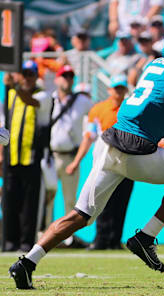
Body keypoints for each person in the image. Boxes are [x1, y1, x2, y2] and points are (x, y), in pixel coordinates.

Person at [9, 23, 164, 289]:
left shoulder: (155, 65)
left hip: (108, 142)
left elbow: (161, 110)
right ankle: (146, 237)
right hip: (138, 152)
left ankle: (27, 262)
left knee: (80, 215)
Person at [66, 75, 133, 250]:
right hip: (104, 163)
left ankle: (115, 240)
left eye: (121, 88)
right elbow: (88, 137)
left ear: (125, 90)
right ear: (110, 90)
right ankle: (101, 239)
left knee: (121, 202)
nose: (118, 92)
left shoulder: (130, 108)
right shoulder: (98, 109)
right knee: (101, 201)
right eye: (115, 88)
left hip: (127, 163)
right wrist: (76, 161)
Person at [2, 61, 52, 252]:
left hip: (32, 157)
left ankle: (25, 241)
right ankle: (9, 241)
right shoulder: (11, 95)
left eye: (31, 74)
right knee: (10, 200)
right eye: (25, 73)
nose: (28, 77)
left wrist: (13, 86)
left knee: (29, 204)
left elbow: (31, 102)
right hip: (12, 157)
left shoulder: (43, 95)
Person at [48, 65, 93, 247]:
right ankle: (45, 234)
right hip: (50, 156)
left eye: (70, 76)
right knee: (47, 197)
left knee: (70, 199)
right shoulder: (49, 99)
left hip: (70, 157)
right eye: (63, 76)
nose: (67, 79)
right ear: (57, 79)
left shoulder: (82, 100)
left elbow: (95, 115)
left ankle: (67, 238)